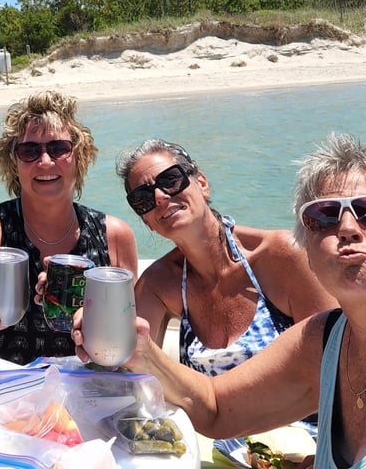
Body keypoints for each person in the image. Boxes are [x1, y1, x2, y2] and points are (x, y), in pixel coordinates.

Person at [74, 133, 366, 468]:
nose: (347, 228)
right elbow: (216, 408)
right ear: (310, 249)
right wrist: (140, 352)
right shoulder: (324, 341)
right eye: (324, 217)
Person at [120, 139, 336, 434]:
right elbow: (129, 372)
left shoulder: (281, 256)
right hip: (212, 443)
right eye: (143, 198)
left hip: (306, 440)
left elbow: (337, 365)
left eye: (170, 180)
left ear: (202, 184)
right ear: (146, 221)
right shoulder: (158, 283)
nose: (159, 197)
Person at [0, 90, 138, 376]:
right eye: (29, 151)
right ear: (14, 163)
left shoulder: (114, 235)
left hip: (88, 392)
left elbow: (129, 338)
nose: (44, 162)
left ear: (80, 157)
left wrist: (89, 301)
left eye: (58, 148)